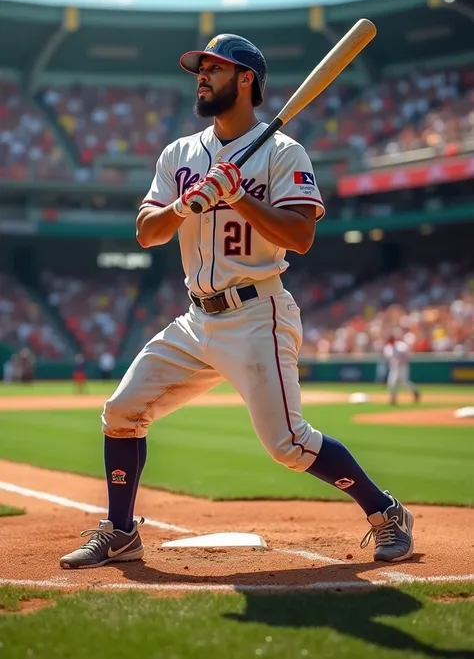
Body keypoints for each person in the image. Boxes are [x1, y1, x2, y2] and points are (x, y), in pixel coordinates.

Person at [60, 34, 414, 570]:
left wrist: (238, 196)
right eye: (199, 68)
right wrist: (185, 203)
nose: (201, 76)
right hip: (196, 316)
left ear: (246, 79)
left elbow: (300, 237)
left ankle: (385, 511)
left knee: (288, 445)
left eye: (215, 68)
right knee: (121, 412)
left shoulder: (283, 152)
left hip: (257, 313)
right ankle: (121, 530)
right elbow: (146, 232)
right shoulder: (178, 153)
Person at [383, 336, 421, 406]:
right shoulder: (387, 348)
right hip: (394, 367)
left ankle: (415, 392)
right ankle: (393, 399)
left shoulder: (401, 345)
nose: (391, 342)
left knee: (404, 382)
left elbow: (407, 355)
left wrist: (401, 361)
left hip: (403, 366)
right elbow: (389, 359)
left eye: (392, 340)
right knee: (391, 382)